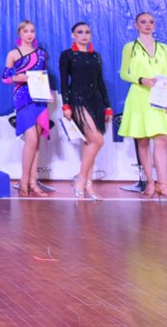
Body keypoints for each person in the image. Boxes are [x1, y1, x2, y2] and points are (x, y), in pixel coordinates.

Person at [118, 12, 167, 205]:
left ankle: (163, 185)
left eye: (151, 22)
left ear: (155, 25)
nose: (147, 25)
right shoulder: (130, 47)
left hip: (159, 96)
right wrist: (141, 80)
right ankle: (150, 183)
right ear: (136, 25)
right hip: (139, 96)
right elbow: (124, 73)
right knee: (143, 140)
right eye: (143, 22)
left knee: (162, 139)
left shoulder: (163, 48)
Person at [58, 22, 112, 201]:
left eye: (87, 32)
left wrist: (108, 106)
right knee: (97, 140)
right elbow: (64, 82)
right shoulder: (67, 55)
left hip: (95, 101)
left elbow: (100, 82)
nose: (84, 35)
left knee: (91, 143)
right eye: (80, 32)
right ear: (73, 35)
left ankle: (88, 185)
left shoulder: (95, 56)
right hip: (77, 100)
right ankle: (80, 178)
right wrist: (66, 105)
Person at [2, 20, 51, 197]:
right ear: (20, 34)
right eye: (26, 31)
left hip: (40, 97)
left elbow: (43, 76)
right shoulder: (13, 54)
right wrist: (17, 78)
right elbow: (5, 78)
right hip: (23, 97)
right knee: (31, 139)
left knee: (37, 141)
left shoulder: (42, 54)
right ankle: (23, 181)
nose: (29, 34)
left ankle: (33, 182)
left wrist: (48, 92)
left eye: (32, 31)